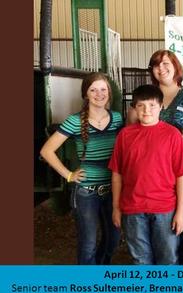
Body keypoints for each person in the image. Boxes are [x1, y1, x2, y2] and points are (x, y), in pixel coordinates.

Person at [40, 72, 123, 264]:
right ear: (86, 94)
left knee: (113, 239)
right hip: (86, 191)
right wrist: (68, 175)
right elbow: (47, 151)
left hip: (113, 189)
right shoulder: (75, 121)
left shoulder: (117, 118)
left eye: (103, 89)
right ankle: (86, 285)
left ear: (109, 93)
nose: (99, 94)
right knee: (88, 243)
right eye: (93, 90)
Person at [109, 84, 183, 265]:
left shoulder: (173, 135)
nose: (147, 110)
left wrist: (181, 212)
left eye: (152, 105)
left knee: (168, 257)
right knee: (140, 259)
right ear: (134, 108)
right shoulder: (125, 135)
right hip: (133, 208)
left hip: (165, 208)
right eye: (141, 105)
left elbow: (181, 176)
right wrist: (116, 207)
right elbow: (117, 174)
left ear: (161, 106)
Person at [127, 49, 183, 129]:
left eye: (165, 63)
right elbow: (130, 132)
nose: (161, 68)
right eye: (156, 65)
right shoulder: (143, 96)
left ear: (175, 66)